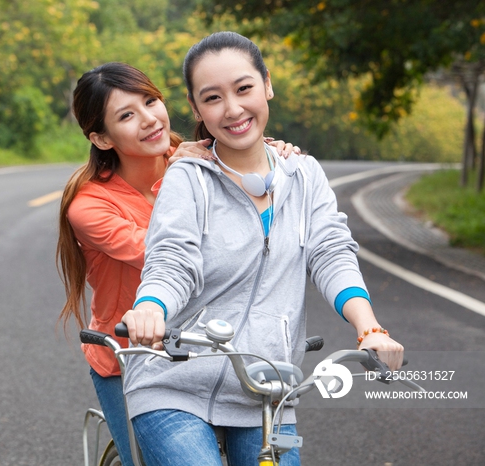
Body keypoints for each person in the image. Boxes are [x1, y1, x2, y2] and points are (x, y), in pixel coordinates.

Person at [120, 32, 405, 466]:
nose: (233, 109)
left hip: (267, 390)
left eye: (244, 88)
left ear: (267, 85)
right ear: (196, 109)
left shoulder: (304, 174)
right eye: (212, 98)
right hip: (173, 383)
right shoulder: (188, 178)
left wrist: (370, 329)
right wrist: (151, 308)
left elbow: (330, 253)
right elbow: (173, 260)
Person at [56, 61, 299, 466]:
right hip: (133, 356)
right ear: (100, 138)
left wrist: (269, 156)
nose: (150, 120)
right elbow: (175, 255)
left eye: (151, 101)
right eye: (127, 115)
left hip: (221, 348)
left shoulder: (208, 158)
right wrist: (181, 172)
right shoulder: (90, 207)